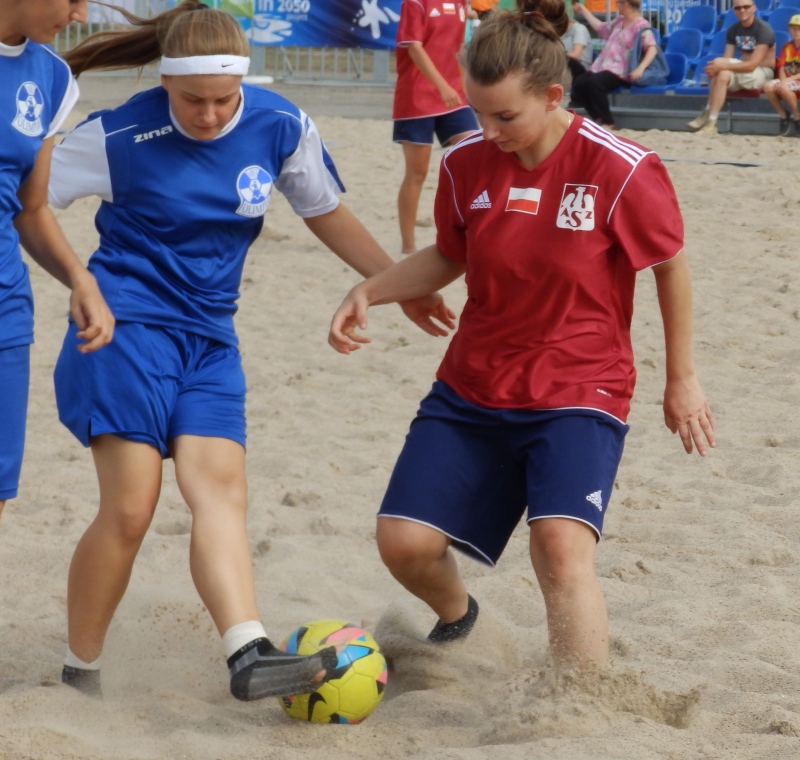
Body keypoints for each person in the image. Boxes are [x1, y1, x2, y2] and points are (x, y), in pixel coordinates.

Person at [48, 0, 454, 700]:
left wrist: (390, 282)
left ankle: (247, 654)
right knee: (132, 507)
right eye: (192, 100)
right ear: (165, 82)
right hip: (121, 331)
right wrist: (77, 279)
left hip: (210, 340)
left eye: (222, 99)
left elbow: (323, 209)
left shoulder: (279, 123)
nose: (209, 116)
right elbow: (22, 205)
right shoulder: (114, 134)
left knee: (222, 494)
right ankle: (79, 671)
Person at [329, 0, 714, 670]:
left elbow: (669, 266)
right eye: (478, 113)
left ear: (554, 95)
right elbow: (448, 255)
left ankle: (578, 701)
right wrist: (374, 288)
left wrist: (681, 378)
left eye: (504, 115)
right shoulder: (466, 163)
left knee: (561, 553)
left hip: (578, 384)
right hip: (475, 382)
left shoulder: (619, 167)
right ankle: (460, 616)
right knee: (403, 543)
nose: (488, 130)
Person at [0, 1, 114, 520]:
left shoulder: (51, 75)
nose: (80, 12)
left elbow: (31, 206)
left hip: (5, 308)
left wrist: (79, 277)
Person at [394, 0, 479, 255]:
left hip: (454, 96)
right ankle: (408, 244)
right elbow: (415, 49)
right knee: (417, 173)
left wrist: (466, 88)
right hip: (417, 96)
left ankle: (471, 229)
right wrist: (442, 86)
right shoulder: (415, 3)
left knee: (476, 157)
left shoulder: (461, 3)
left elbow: (457, 49)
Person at [686, 0, 775, 134]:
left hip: (762, 72)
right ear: (734, 11)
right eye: (738, 8)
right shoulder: (733, 30)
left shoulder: (763, 29)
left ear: (754, 8)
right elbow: (728, 59)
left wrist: (721, 64)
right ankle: (711, 121)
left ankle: (708, 112)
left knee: (719, 65)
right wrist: (719, 67)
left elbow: (752, 65)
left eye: (746, 7)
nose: (742, 10)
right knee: (722, 74)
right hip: (743, 70)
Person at [571, 0, 658, 130]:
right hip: (603, 66)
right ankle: (597, 117)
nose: (616, 5)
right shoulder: (619, 21)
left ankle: (608, 121)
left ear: (626, 4)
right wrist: (584, 10)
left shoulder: (641, 25)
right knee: (580, 82)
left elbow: (652, 48)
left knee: (595, 83)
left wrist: (641, 68)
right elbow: (600, 28)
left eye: (618, 3)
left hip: (621, 69)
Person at [763, 14, 800, 137]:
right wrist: (783, 80)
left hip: (797, 80)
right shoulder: (787, 47)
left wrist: (786, 82)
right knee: (768, 86)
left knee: (784, 87)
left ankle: (797, 115)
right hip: (789, 80)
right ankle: (783, 114)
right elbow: (782, 67)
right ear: (789, 30)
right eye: (794, 28)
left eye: (799, 29)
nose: (796, 32)